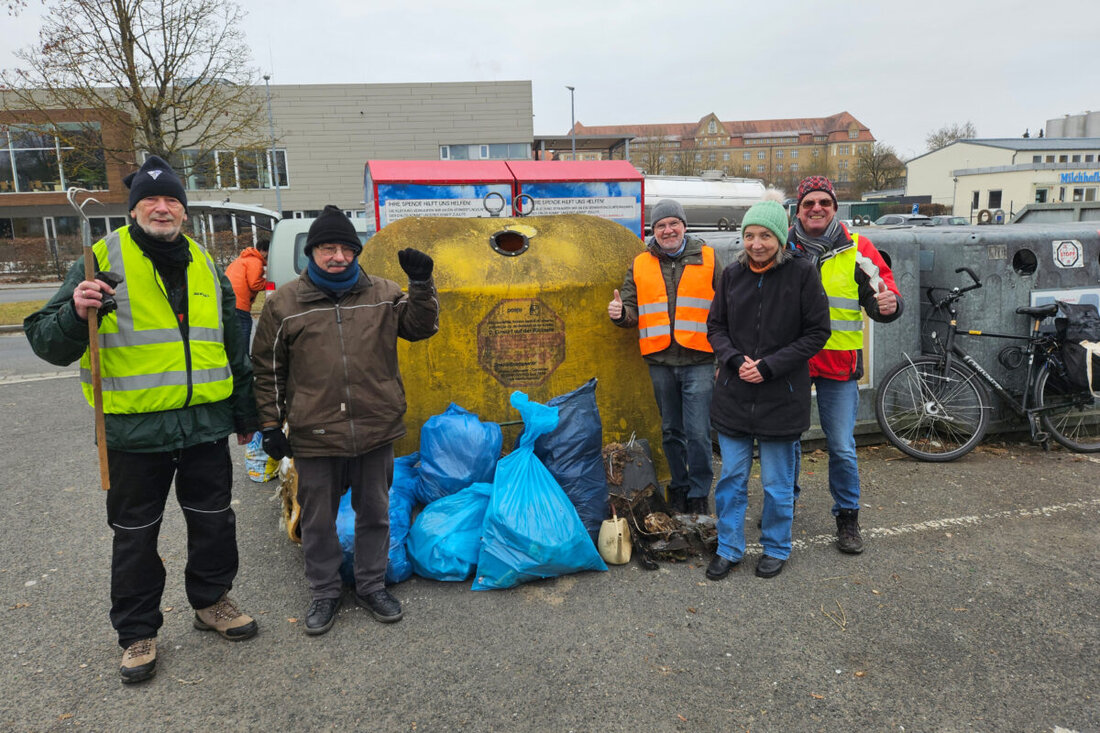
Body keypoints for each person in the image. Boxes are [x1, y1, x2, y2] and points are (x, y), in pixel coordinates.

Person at [24, 155, 260, 684]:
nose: (162, 207)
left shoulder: (204, 261)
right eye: (151, 200)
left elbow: (231, 344)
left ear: (183, 209)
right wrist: (74, 312)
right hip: (132, 431)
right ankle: (136, 632)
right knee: (135, 537)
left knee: (214, 521)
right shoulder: (99, 259)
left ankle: (211, 601)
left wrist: (246, 412)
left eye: (172, 199)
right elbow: (45, 339)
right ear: (133, 211)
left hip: (203, 426)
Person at [251, 205, 439, 636]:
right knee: (317, 519)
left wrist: (422, 284)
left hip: (375, 427)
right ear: (312, 252)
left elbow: (421, 327)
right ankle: (324, 592)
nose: (337, 257)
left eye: (345, 248)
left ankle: (372, 585)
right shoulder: (284, 304)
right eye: (327, 248)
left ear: (356, 252)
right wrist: (269, 425)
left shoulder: (384, 292)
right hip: (315, 432)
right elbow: (267, 369)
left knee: (375, 513)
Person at [705, 197, 830, 580]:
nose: (756, 244)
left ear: (780, 237)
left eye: (765, 236)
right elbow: (716, 327)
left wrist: (771, 366)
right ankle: (728, 547)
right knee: (731, 480)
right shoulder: (732, 276)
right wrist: (733, 359)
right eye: (749, 236)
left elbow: (817, 333)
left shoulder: (803, 274)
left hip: (781, 396)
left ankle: (776, 547)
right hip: (734, 395)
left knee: (777, 485)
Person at [787, 176, 903, 554]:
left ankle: (848, 519)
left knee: (841, 445)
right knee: (785, 440)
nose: (816, 208)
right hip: (792, 363)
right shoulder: (783, 246)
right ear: (798, 209)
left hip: (839, 361)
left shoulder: (858, 247)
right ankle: (784, 506)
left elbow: (883, 294)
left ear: (835, 208)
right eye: (809, 203)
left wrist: (889, 307)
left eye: (823, 202)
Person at [607, 199, 719, 515]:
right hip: (660, 361)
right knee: (671, 431)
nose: (667, 230)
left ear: (683, 225)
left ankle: (699, 493)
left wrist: (724, 359)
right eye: (660, 226)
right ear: (653, 231)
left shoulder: (708, 258)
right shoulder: (640, 264)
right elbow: (630, 309)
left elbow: (727, 308)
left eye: (673, 223)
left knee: (698, 433)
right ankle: (679, 488)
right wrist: (620, 313)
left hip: (698, 359)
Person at [225, 236, 270, 350]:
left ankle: (237, 358)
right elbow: (254, 284)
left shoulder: (241, 259)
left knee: (235, 333)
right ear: (264, 251)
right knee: (245, 327)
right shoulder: (255, 261)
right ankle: (243, 359)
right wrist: (270, 283)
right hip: (239, 302)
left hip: (228, 300)